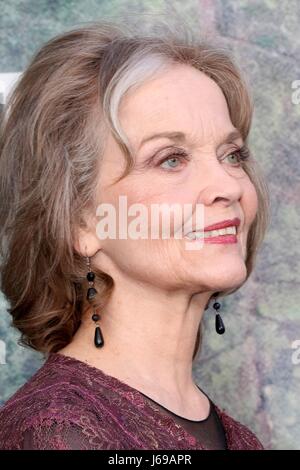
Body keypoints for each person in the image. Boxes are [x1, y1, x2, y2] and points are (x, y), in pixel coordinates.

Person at [0, 20, 270, 450]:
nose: (229, 186)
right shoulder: (58, 433)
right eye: (170, 159)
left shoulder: (240, 439)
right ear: (80, 222)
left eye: (232, 154)